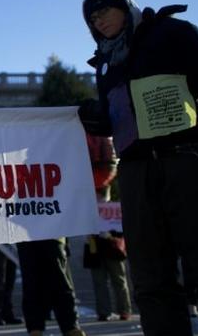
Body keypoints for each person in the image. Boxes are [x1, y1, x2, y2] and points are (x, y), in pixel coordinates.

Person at [79, 0, 198, 335]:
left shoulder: (173, 33)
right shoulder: (105, 63)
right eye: (92, 18)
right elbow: (118, 116)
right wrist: (99, 119)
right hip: (137, 174)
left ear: (125, 5)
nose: (99, 21)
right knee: (150, 280)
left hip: (189, 161)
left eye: (105, 10)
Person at [82, 134, 131, 322]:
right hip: (94, 241)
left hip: (112, 240)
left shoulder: (113, 185)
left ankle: (123, 310)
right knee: (99, 279)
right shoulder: (88, 193)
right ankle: (104, 311)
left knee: (118, 278)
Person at [17, 239, 85, 336]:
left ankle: (70, 326)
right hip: (26, 239)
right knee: (32, 285)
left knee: (61, 283)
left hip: (53, 237)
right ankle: (35, 328)